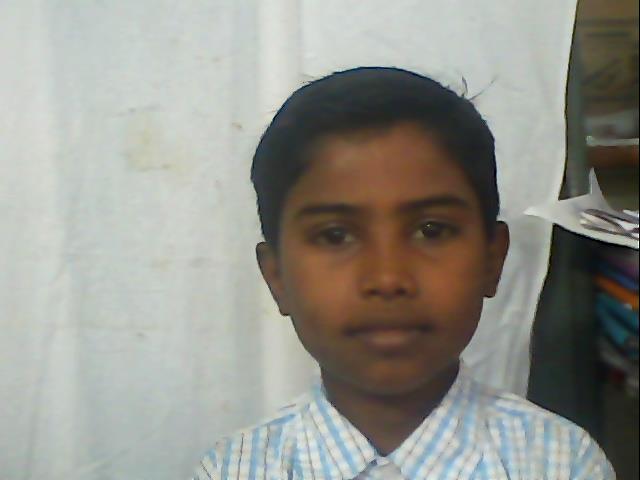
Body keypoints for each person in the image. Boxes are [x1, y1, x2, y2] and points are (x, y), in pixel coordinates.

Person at [193, 67, 615, 479]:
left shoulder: (561, 464)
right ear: (277, 277)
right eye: (335, 236)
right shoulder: (233, 469)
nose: (387, 279)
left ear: (492, 259)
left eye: (432, 230)